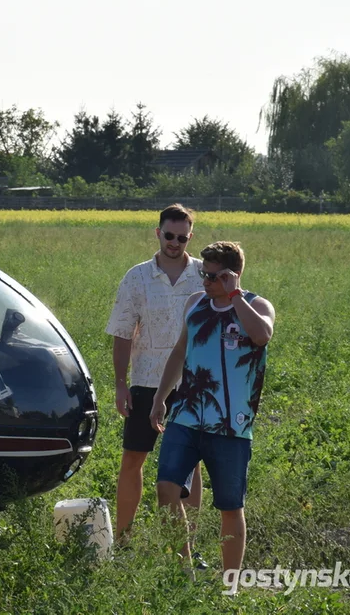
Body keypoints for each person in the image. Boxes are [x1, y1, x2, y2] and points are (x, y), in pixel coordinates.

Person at [151, 241, 275, 574]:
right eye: (203, 274)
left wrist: (234, 297)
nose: (205, 282)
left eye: (213, 276)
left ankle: (230, 584)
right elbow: (180, 351)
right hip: (187, 415)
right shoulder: (196, 304)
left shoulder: (256, 304)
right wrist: (161, 397)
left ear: (232, 276)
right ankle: (183, 572)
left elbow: (262, 336)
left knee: (230, 506)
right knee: (167, 488)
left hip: (231, 425)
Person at [106, 204, 205, 544]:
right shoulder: (137, 277)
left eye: (182, 237)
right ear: (157, 232)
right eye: (169, 235)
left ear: (190, 237)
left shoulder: (205, 276)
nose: (174, 242)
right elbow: (121, 332)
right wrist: (121, 385)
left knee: (191, 464)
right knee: (133, 458)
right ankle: (123, 538)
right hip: (146, 381)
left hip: (193, 385)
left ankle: (187, 544)